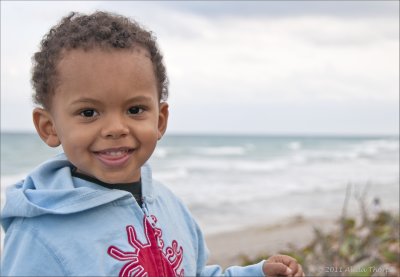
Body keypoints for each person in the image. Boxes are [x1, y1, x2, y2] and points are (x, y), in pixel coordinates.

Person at [1, 11, 304, 277]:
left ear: (160, 120)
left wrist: (256, 274)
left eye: (134, 110)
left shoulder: (168, 204)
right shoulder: (39, 234)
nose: (116, 129)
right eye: (88, 113)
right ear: (49, 127)